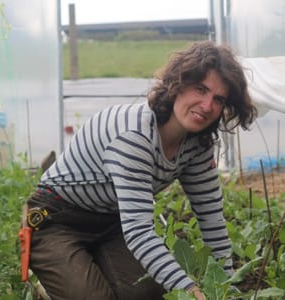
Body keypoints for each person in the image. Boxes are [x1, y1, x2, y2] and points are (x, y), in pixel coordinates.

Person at [25, 40, 257, 300]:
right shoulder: (134, 135)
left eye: (218, 99)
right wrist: (190, 291)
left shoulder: (197, 145)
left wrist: (225, 286)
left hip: (113, 223)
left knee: (148, 291)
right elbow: (139, 232)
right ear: (177, 85)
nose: (207, 105)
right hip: (58, 219)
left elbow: (211, 219)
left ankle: (82, 273)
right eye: (200, 89)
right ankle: (48, 291)